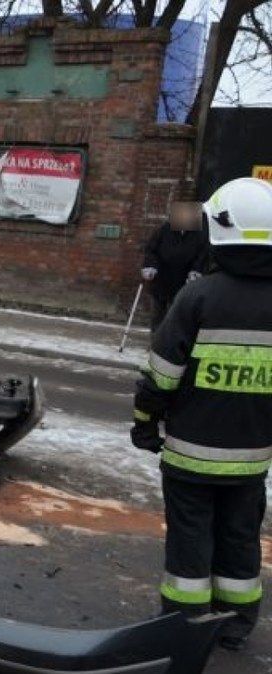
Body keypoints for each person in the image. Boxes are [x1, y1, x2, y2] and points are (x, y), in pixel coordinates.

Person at [133, 177, 272, 652]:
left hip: (191, 458)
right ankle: (234, 623)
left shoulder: (199, 298)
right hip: (252, 461)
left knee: (190, 541)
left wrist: (145, 422)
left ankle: (185, 623)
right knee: (240, 537)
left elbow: (162, 374)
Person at [142, 199, 208, 331]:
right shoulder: (164, 230)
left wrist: (196, 270)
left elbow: (202, 255)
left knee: (176, 314)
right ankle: (155, 339)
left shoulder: (198, 235)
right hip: (161, 278)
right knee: (158, 313)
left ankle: (169, 340)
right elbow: (150, 250)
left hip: (183, 280)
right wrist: (150, 266)